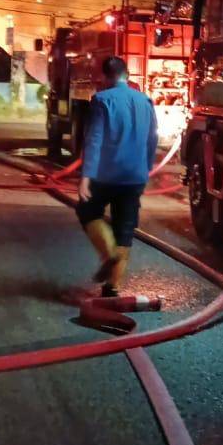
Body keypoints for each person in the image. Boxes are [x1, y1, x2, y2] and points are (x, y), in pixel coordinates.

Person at [77, 56, 158, 298]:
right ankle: (112, 289)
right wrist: (146, 168)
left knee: (87, 211)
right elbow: (152, 138)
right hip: (135, 176)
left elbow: (94, 140)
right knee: (125, 228)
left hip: (106, 174)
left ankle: (109, 254)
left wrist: (86, 176)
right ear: (128, 75)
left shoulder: (101, 100)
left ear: (105, 77)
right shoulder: (145, 101)